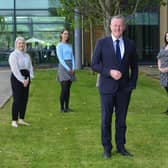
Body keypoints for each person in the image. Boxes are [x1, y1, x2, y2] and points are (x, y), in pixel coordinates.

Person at [91, 15, 138, 158]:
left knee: (121, 120)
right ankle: (107, 148)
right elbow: (94, 65)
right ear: (110, 26)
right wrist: (109, 72)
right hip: (106, 88)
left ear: (123, 27)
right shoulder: (101, 43)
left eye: (120, 25)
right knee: (106, 119)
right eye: (115, 25)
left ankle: (121, 146)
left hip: (124, 90)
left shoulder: (130, 44)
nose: (117, 28)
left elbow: (135, 67)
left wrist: (131, 85)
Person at [9, 36, 34, 128]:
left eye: (23, 43)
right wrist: (22, 80)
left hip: (27, 77)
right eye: (19, 43)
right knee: (17, 99)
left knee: (24, 99)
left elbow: (30, 67)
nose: (21, 45)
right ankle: (14, 120)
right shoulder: (13, 55)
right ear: (16, 44)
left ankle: (21, 119)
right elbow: (15, 69)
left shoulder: (27, 55)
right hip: (17, 78)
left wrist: (29, 78)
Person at [56, 29, 75, 112]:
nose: (66, 35)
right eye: (64, 34)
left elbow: (72, 57)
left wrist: (73, 67)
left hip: (71, 65)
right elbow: (60, 58)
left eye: (67, 34)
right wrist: (68, 68)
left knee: (68, 88)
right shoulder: (59, 45)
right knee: (64, 88)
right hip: (63, 67)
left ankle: (67, 107)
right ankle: (62, 108)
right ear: (61, 35)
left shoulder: (70, 45)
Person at [157, 32, 168, 114]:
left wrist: (166, 69)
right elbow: (159, 58)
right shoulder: (163, 47)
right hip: (163, 74)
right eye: (167, 36)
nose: (167, 37)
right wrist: (160, 68)